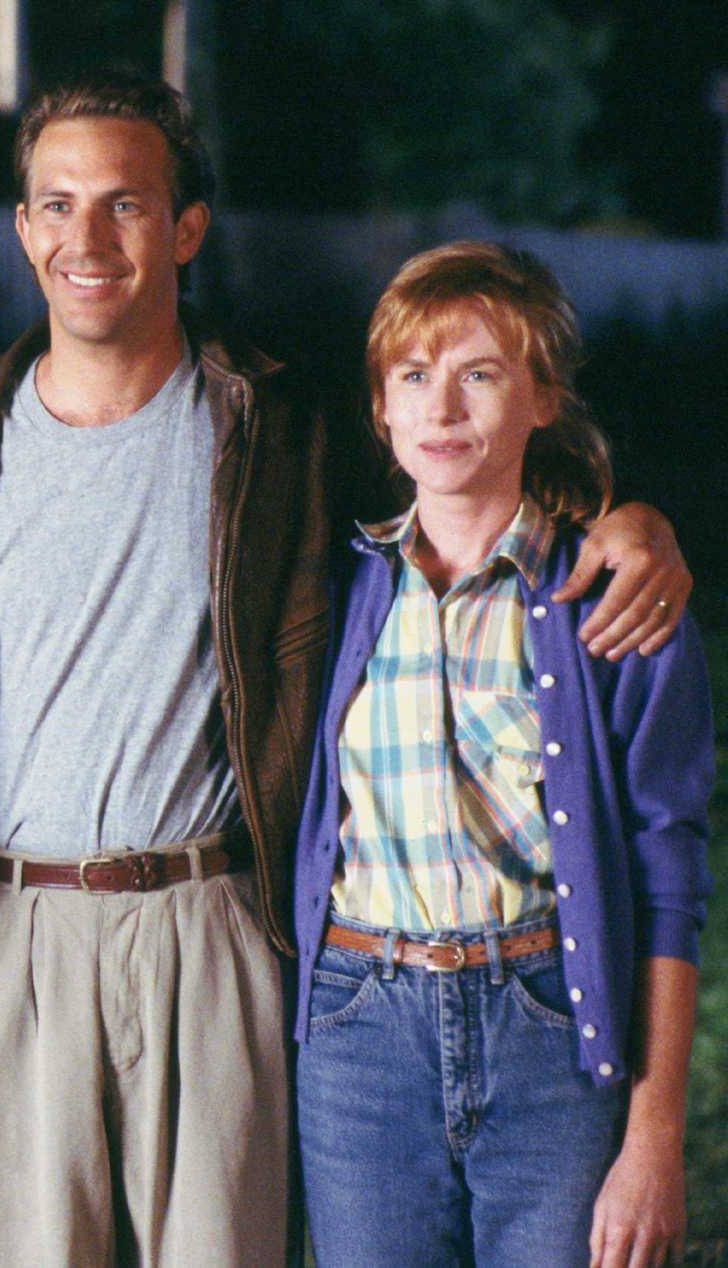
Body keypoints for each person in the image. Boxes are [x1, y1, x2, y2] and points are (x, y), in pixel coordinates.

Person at [0, 69, 692, 1268]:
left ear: (184, 226)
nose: (86, 236)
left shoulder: (283, 431)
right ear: (21, 224)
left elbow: (465, 472)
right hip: (2, 940)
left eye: (125, 203)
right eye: (55, 203)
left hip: (218, 928)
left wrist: (630, 516)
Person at [291, 242, 711, 1268]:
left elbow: (667, 881)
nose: (440, 407)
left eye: (477, 373)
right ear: (380, 412)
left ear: (542, 401)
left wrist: (653, 1138)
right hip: (355, 1030)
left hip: (548, 1028)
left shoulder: (611, 602)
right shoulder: (324, 591)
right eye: (411, 376)